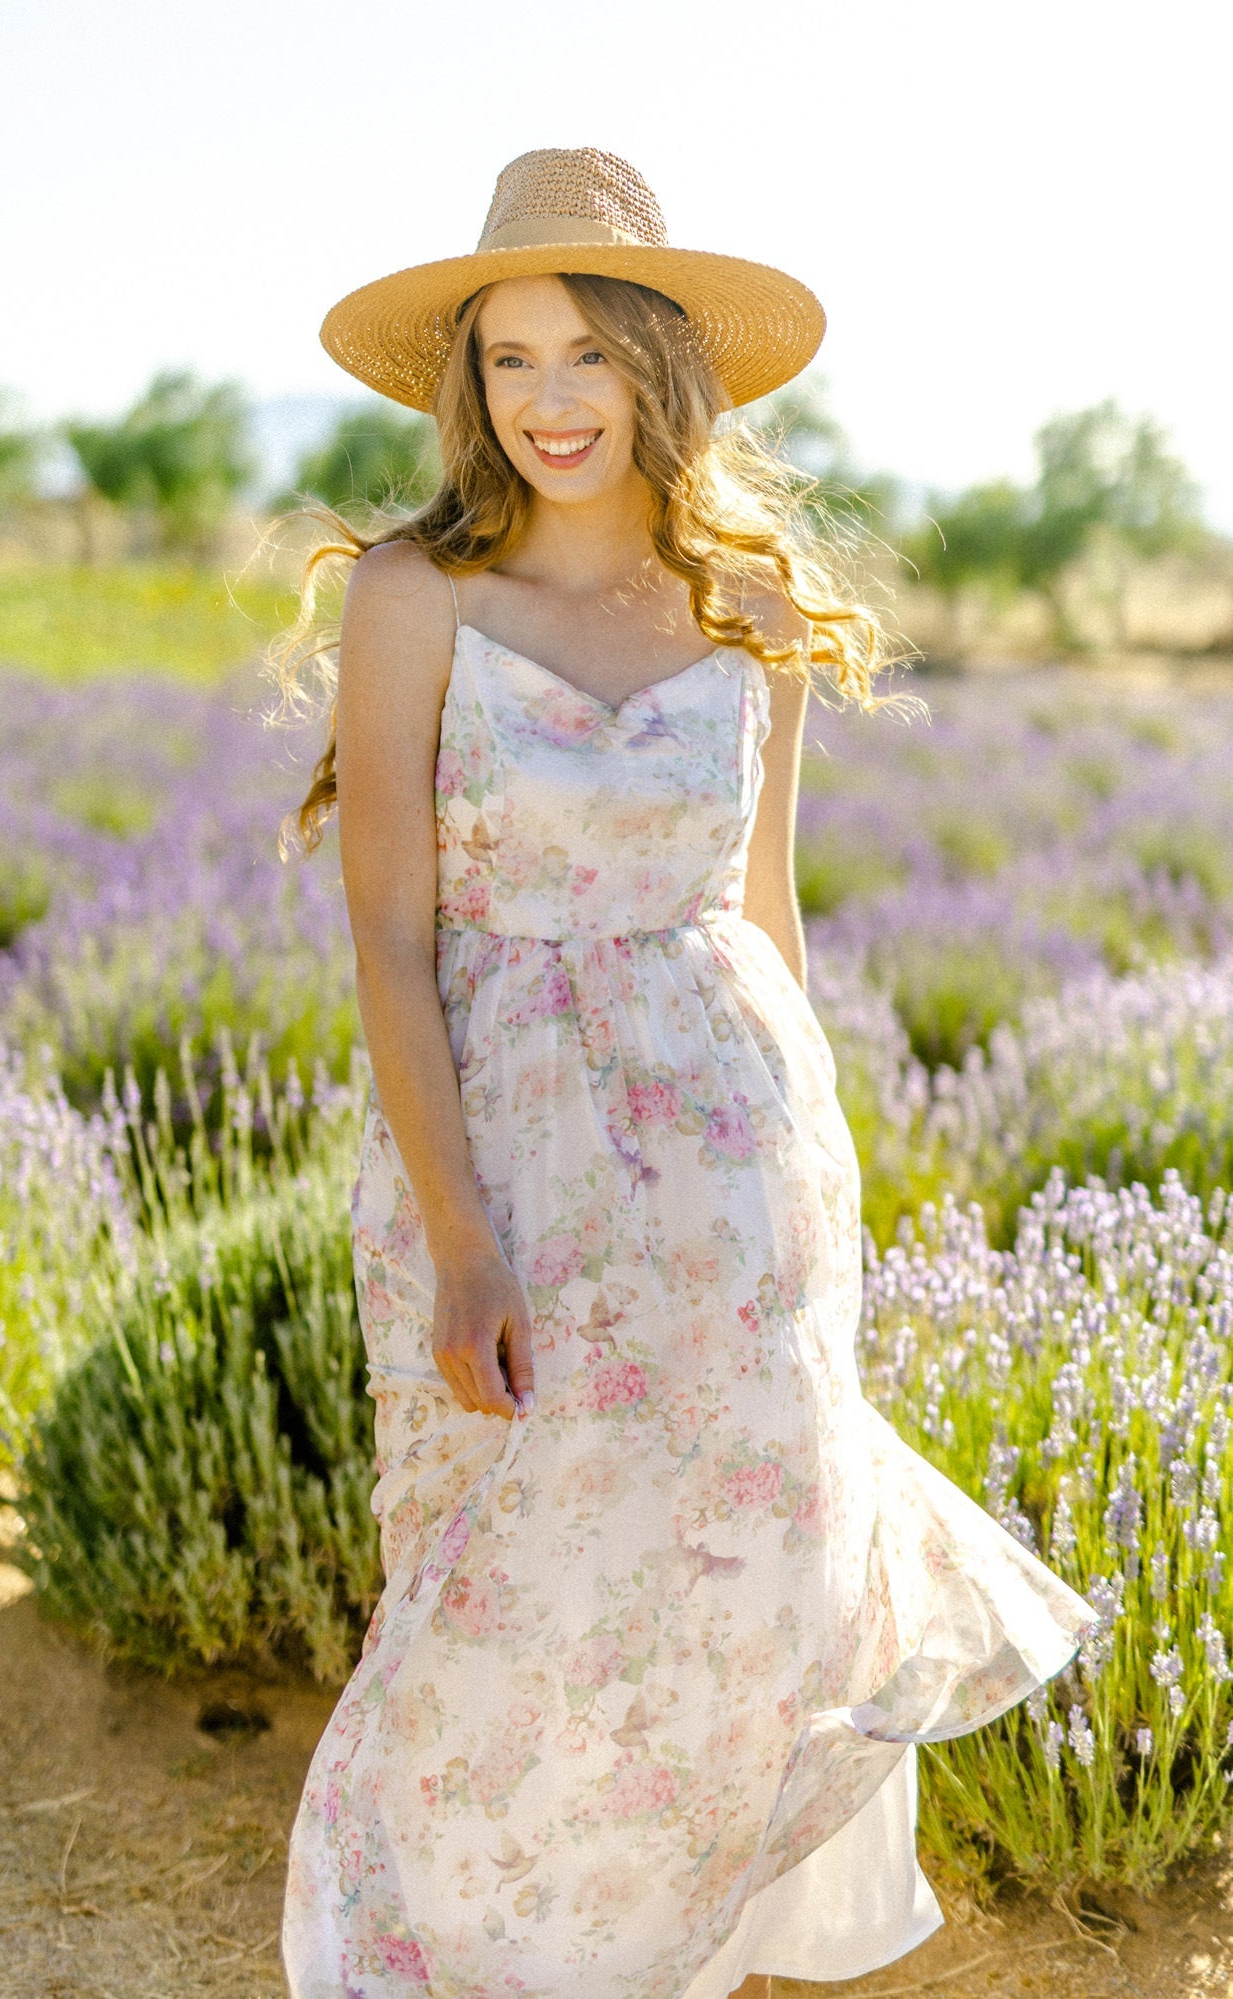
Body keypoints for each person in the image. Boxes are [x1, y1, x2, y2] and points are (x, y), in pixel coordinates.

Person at [274, 146, 1093, 1999]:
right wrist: (461, 1242)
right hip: (507, 1152)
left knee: (738, 1566)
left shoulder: (751, 603)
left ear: (659, 367)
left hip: (739, 1159)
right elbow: (390, 942)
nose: (548, 401)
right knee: (516, 1575)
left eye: (585, 355)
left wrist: (826, 1183)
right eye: (507, 361)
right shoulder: (414, 597)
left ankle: (676, 1951)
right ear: (466, 389)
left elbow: (763, 912)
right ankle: (479, 1952)